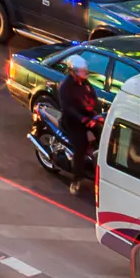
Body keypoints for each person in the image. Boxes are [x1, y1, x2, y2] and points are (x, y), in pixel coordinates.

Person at [59, 55, 101, 194]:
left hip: (88, 118)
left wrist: (98, 112)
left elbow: (94, 98)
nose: (82, 76)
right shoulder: (65, 87)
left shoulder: (86, 84)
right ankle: (76, 179)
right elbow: (67, 107)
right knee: (81, 147)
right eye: (80, 72)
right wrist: (81, 118)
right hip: (72, 121)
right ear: (72, 71)